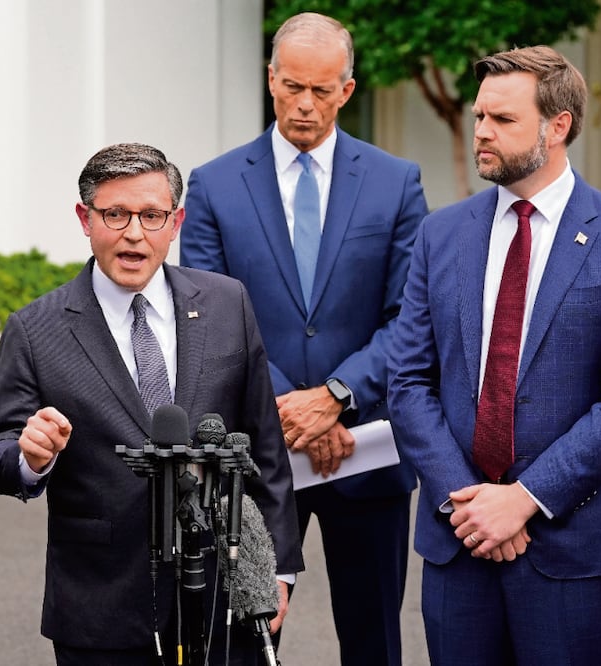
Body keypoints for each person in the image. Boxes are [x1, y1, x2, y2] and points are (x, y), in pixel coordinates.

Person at [387, 46, 601, 665]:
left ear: (557, 125)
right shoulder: (440, 234)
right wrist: (466, 502)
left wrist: (522, 499)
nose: (482, 132)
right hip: (458, 541)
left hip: (570, 547)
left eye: (503, 119)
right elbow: (407, 380)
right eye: (479, 116)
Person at [0, 142, 304, 665]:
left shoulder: (227, 303)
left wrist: (277, 569)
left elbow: (265, 447)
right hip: (102, 605)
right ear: (85, 219)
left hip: (223, 595)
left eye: (152, 216)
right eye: (116, 214)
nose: (135, 233)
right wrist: (29, 457)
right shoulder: (36, 329)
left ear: (175, 223)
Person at [179, 12, 427, 664]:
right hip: (255, 460)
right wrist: (295, 411)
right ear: (270, 80)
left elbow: (411, 317)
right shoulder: (213, 185)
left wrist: (337, 397)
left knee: (374, 645)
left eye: (321, 90)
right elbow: (207, 320)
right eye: (292, 87)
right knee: (245, 644)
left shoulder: (396, 182)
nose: (305, 105)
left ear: (347, 89)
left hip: (365, 453)